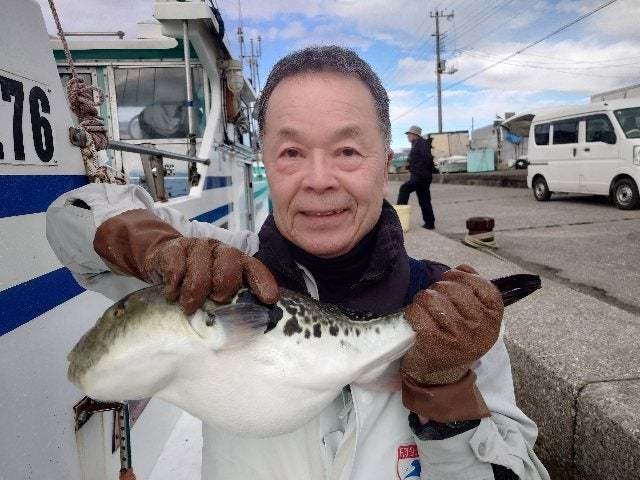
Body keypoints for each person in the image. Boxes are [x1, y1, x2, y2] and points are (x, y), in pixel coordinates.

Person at [47, 46, 549, 480]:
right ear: (266, 162)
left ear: (385, 163)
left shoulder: (451, 312)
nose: (319, 179)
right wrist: (154, 248)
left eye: (347, 151)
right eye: (291, 152)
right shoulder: (208, 273)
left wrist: (448, 397)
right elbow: (72, 218)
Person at [397, 126, 436, 230]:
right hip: (422, 176)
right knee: (424, 200)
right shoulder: (417, 144)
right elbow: (418, 159)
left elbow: (427, 158)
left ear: (415, 135)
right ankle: (430, 223)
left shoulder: (421, 144)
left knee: (404, 189)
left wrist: (418, 170)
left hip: (420, 176)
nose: (408, 136)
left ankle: (398, 219)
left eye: (409, 134)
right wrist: (410, 166)